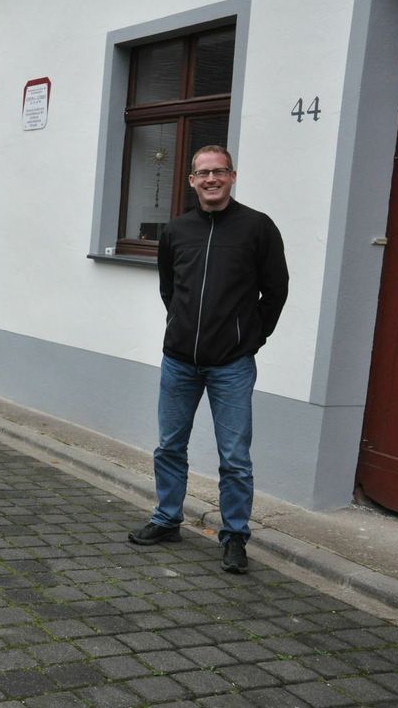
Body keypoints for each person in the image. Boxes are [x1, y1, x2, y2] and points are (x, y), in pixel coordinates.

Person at [128, 145, 288, 574]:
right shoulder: (177, 230)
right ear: (192, 181)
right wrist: (179, 325)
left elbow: (276, 290)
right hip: (179, 360)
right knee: (169, 447)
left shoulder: (257, 227)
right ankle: (166, 519)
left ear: (232, 176)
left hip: (232, 363)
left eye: (219, 172)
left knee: (235, 457)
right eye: (203, 173)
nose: (211, 179)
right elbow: (169, 288)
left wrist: (252, 336)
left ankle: (235, 536)